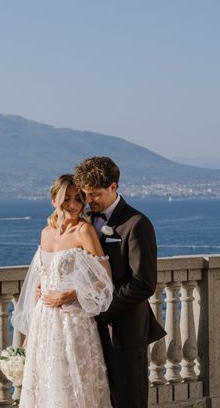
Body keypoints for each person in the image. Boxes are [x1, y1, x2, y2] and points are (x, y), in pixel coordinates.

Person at [12, 174, 114, 408]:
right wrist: (28, 337)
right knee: (44, 388)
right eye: (66, 198)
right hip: (43, 323)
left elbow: (105, 280)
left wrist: (73, 294)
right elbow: (43, 278)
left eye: (78, 199)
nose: (73, 204)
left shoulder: (84, 232)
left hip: (72, 323)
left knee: (71, 390)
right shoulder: (45, 233)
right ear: (54, 201)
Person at [73, 156, 166, 408]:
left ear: (114, 187)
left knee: (128, 401)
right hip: (85, 332)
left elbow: (143, 284)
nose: (89, 200)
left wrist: (99, 307)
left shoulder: (137, 224)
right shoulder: (83, 223)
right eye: (85, 194)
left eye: (95, 194)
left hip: (124, 332)